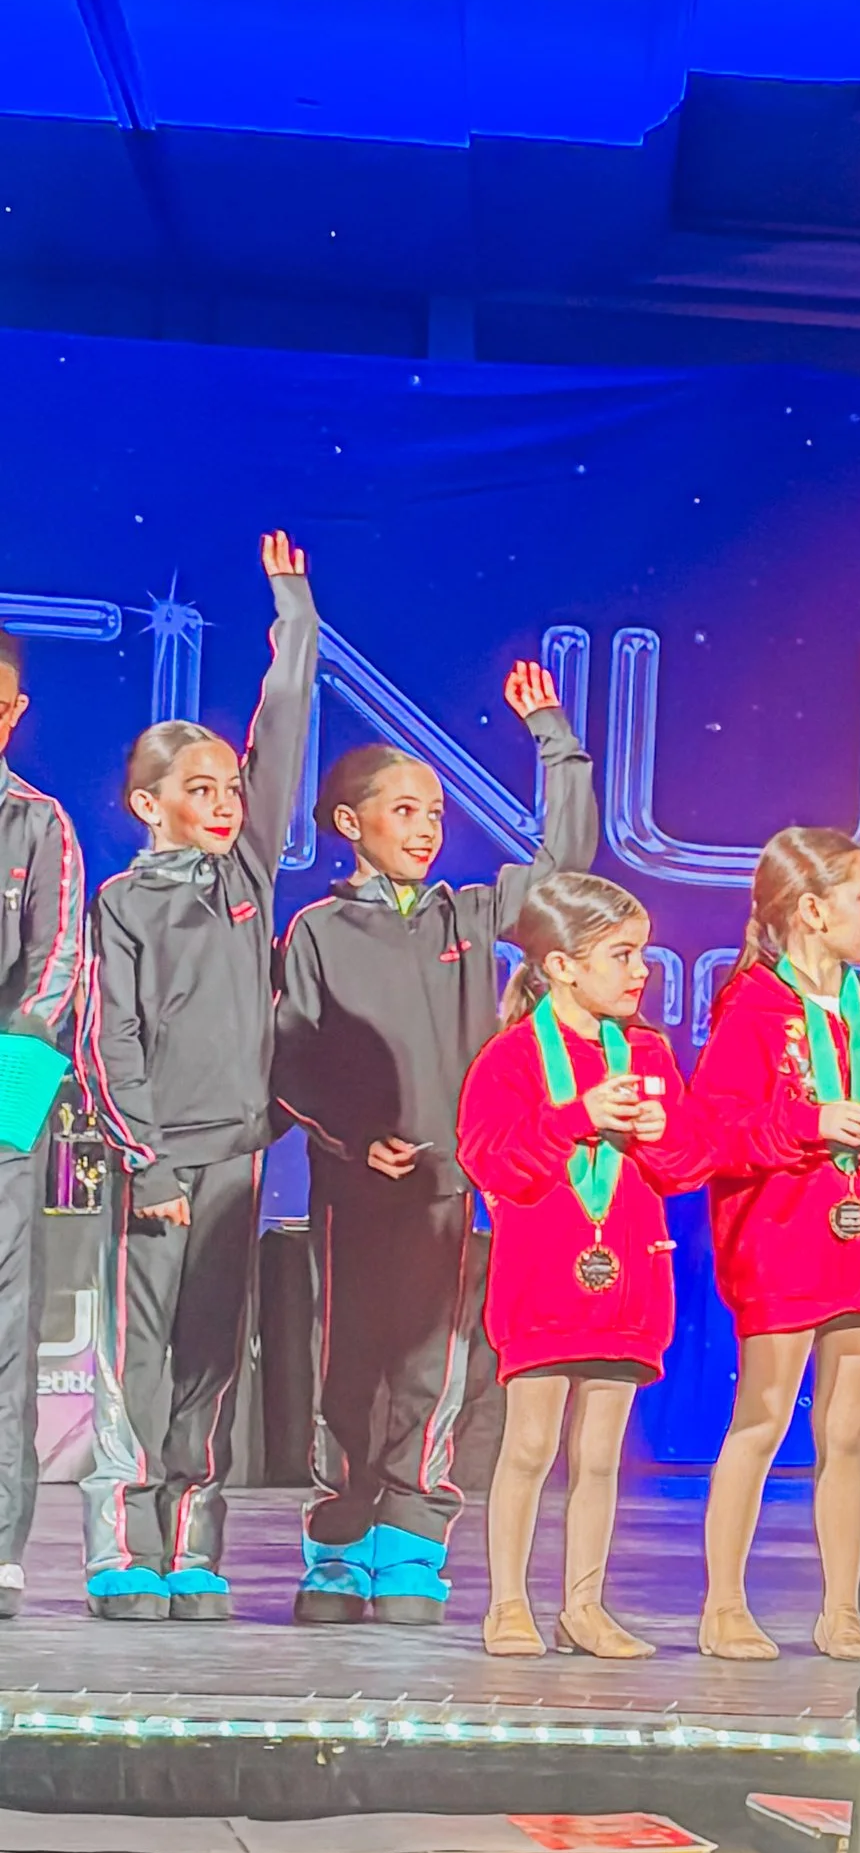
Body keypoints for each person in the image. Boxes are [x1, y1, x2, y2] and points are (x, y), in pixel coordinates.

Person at [273, 657, 601, 1627]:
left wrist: (554, 738)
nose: (423, 828)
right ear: (351, 825)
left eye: (433, 813)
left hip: (451, 1189)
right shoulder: (319, 930)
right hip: (354, 1185)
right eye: (402, 811)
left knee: (435, 1365)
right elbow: (294, 1056)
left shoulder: (468, 916)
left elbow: (566, 871)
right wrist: (354, 1137)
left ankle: (412, 1541)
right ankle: (338, 1541)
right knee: (349, 1367)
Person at [75, 532, 317, 1620]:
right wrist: (149, 1157)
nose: (225, 800)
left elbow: (284, 737)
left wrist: (293, 617)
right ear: (149, 805)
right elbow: (109, 1038)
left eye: (230, 786)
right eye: (201, 787)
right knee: (140, 1361)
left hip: (236, 1156)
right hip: (154, 1161)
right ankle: (121, 1542)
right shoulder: (123, 905)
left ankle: (189, 1541)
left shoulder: (250, 878)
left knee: (215, 1357)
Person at [688, 826, 860, 1662]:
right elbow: (714, 1133)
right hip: (781, 1243)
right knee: (760, 1424)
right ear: (810, 909)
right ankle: (723, 1606)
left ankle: (842, 1608)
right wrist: (811, 1120)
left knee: (847, 1434)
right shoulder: (753, 1012)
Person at [455, 872, 709, 1660]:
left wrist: (662, 1129)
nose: (640, 972)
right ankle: (506, 1604)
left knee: (600, 1456)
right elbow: (491, 1161)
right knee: (529, 1447)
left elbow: (692, 1163)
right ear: (562, 966)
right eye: (622, 955)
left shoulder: (649, 1052)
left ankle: (584, 1606)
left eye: (643, 954)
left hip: (626, 1280)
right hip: (542, 1281)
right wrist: (577, 1116)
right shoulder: (511, 1057)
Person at [0, 630, 85, 1622]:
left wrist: (13, 1117)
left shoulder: (38, 824)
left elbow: (56, 970)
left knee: (5, 1333)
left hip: (1, 1102)